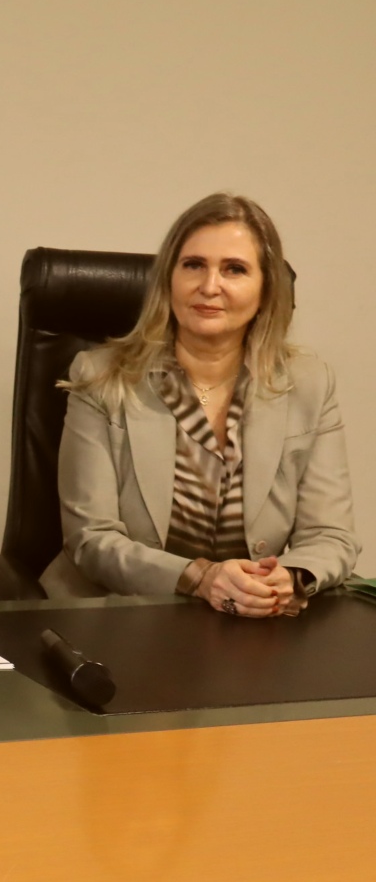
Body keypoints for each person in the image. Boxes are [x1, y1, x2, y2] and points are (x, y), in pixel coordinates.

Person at [51, 193, 358, 612]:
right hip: (121, 613)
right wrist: (201, 578)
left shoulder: (309, 384)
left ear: (266, 289)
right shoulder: (102, 378)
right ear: (168, 279)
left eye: (234, 269)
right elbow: (91, 539)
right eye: (194, 265)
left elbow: (331, 535)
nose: (210, 287)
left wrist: (288, 579)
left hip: (250, 619)